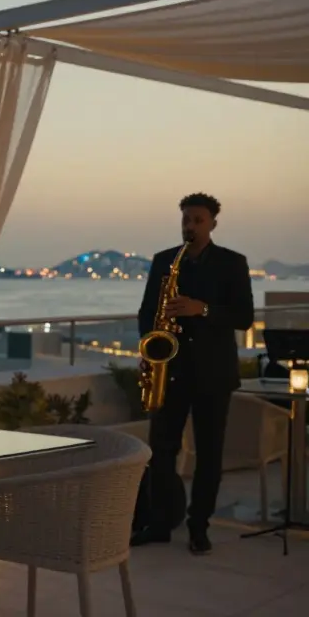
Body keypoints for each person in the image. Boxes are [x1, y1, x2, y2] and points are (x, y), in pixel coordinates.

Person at [130, 193, 254, 555]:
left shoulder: (233, 263)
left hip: (213, 374)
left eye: (198, 220)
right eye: (186, 219)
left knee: (209, 453)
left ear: (213, 223)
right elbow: (147, 311)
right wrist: (149, 351)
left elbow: (244, 317)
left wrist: (202, 309)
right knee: (160, 452)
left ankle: (199, 526)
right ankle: (159, 522)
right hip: (170, 371)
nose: (190, 226)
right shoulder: (164, 261)